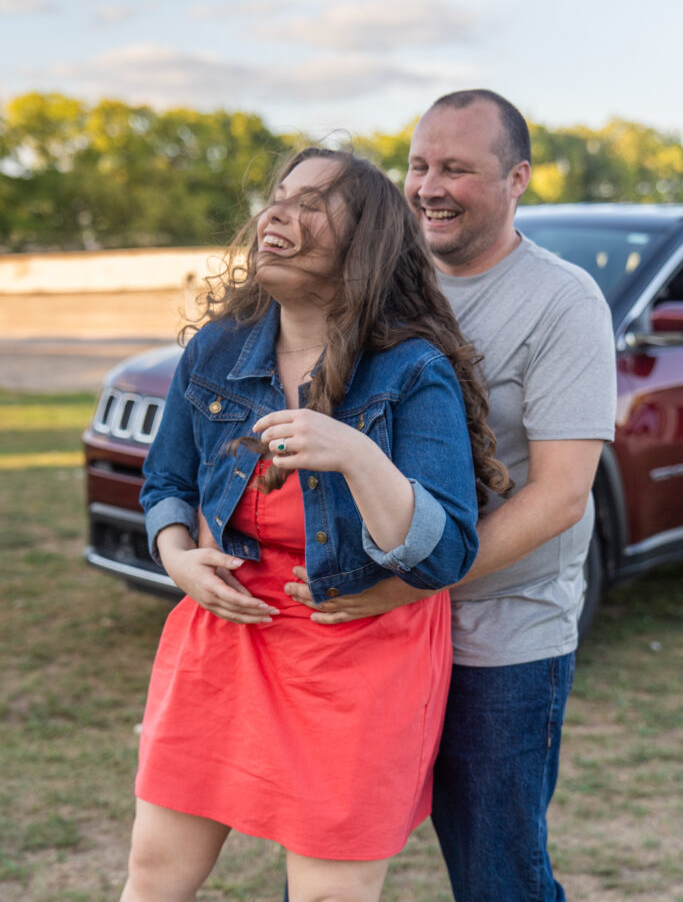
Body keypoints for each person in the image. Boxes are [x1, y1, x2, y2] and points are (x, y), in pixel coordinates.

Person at [121, 146, 510, 902]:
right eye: (278, 197)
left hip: (357, 659)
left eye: (311, 206)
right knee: (155, 875)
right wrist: (176, 556)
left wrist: (359, 457)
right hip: (225, 643)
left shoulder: (410, 370)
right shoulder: (218, 349)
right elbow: (165, 480)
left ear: (362, 248)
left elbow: (447, 552)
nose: (277, 215)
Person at [283, 92, 617, 902]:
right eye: (419, 166)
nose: (428, 187)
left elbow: (561, 495)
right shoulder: (372, 288)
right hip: (372, 631)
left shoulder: (562, 302)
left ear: (517, 179)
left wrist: (410, 580)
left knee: (496, 874)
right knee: (325, 861)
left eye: (456, 169)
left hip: (497, 636)